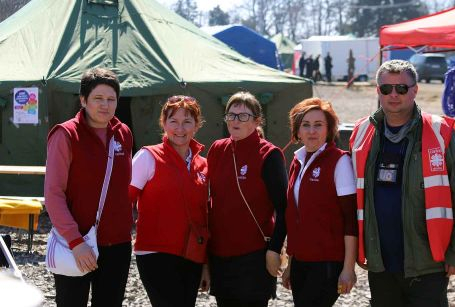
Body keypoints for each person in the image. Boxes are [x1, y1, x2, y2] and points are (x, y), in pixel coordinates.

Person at [349, 60, 455, 307]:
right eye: (387, 89)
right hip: (381, 262)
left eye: (402, 88)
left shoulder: (441, 131)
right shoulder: (361, 132)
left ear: (415, 90)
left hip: (428, 264)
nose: (394, 95)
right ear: (378, 91)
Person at [44, 67, 133, 306]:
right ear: (83, 100)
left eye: (111, 99)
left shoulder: (123, 133)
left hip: (117, 246)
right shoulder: (65, 135)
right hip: (76, 244)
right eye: (98, 98)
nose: (105, 105)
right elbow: (53, 195)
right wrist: (75, 241)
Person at [207, 91, 288, 306]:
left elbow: (284, 208)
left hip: (254, 256)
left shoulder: (269, 154)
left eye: (243, 116)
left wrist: (275, 249)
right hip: (220, 254)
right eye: (231, 115)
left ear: (257, 121)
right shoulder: (217, 149)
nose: (235, 120)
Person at [129, 95, 209, 306]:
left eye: (187, 122)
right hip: (155, 253)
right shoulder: (148, 157)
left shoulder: (204, 165)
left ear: (197, 125)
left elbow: (206, 215)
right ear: (163, 123)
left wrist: (206, 264)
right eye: (173, 121)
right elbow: (122, 202)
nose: (180, 128)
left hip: (192, 254)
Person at [281, 98, 357, 306]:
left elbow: (351, 220)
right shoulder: (297, 161)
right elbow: (296, 217)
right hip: (300, 262)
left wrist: (348, 268)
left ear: (329, 129)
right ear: (297, 130)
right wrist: (290, 264)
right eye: (305, 125)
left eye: (318, 125)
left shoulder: (339, 161)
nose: (311, 131)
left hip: (327, 263)